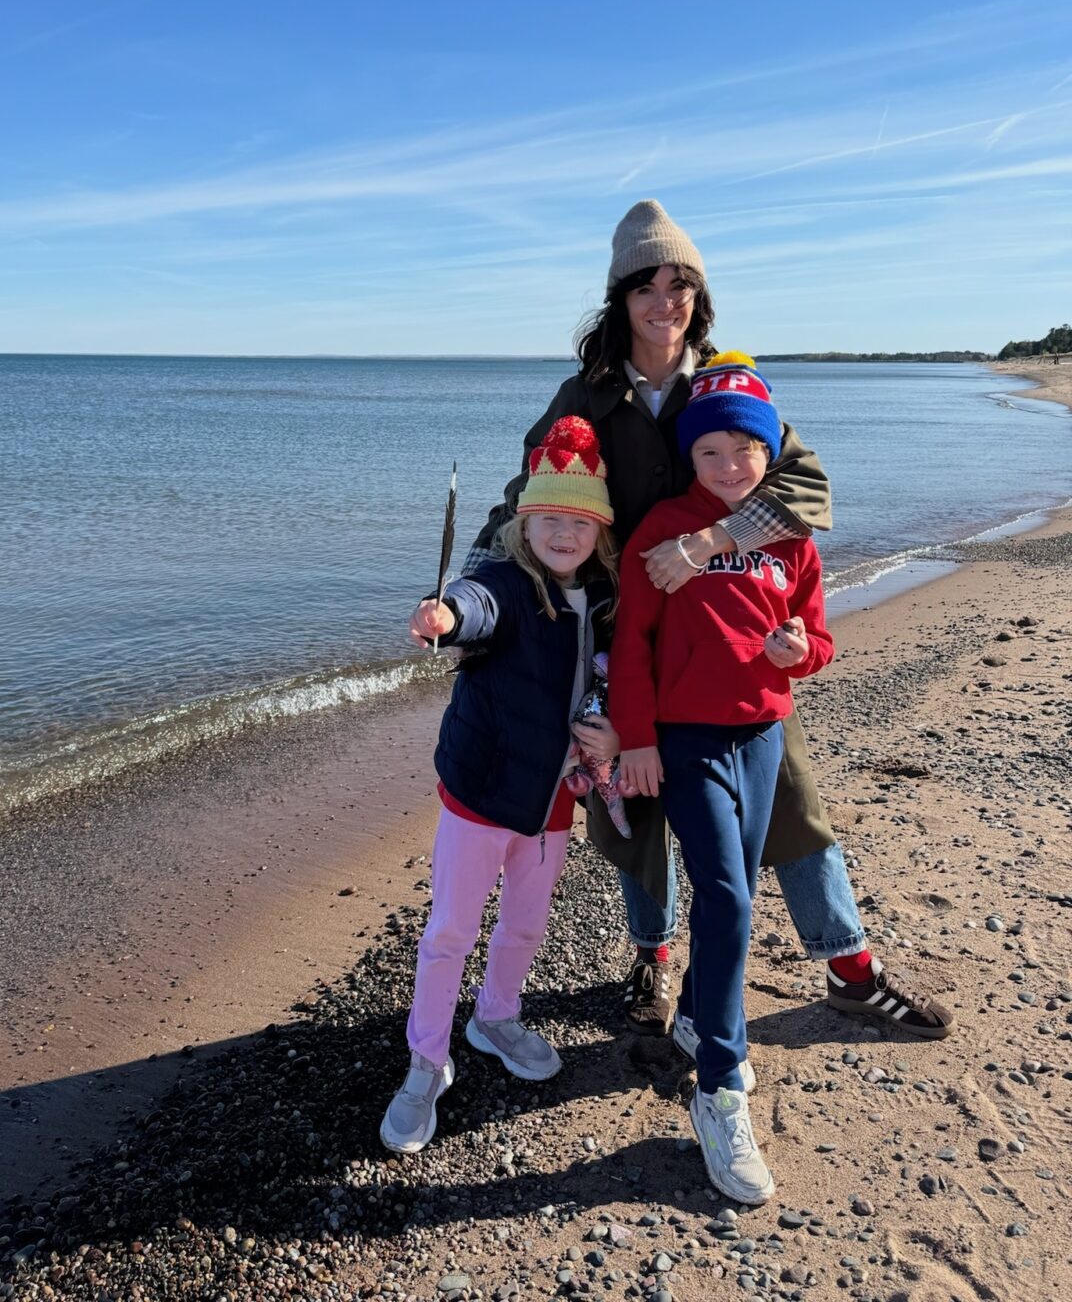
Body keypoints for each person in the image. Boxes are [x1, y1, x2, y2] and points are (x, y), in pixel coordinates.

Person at [467, 200, 953, 1041]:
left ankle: (851, 969)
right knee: (634, 807)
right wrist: (470, 597)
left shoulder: (727, 383)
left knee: (796, 804)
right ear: (618, 299)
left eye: (680, 283)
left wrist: (713, 539)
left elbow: (803, 491)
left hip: (739, 649)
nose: (665, 301)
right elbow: (530, 496)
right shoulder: (585, 394)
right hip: (623, 638)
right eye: (646, 286)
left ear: (699, 293)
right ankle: (652, 962)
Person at [611, 352, 835, 1203]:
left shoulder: (785, 534)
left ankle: (706, 1014)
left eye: (746, 450)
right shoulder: (663, 530)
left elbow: (816, 633)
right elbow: (632, 642)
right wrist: (636, 738)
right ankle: (719, 1085)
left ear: (769, 453)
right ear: (690, 458)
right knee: (730, 896)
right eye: (711, 453)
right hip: (687, 737)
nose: (730, 466)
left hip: (763, 734)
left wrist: (798, 654)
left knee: (730, 892)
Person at [380, 416, 621, 1154]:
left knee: (524, 923)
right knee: (450, 928)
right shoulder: (506, 585)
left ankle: (496, 1018)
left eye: (578, 523)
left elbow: (615, 676)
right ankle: (427, 1058)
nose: (562, 534)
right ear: (525, 523)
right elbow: (474, 609)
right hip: (482, 793)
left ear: (599, 533)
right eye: (548, 519)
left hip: (553, 802)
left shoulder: (604, 599)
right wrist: (444, 615)